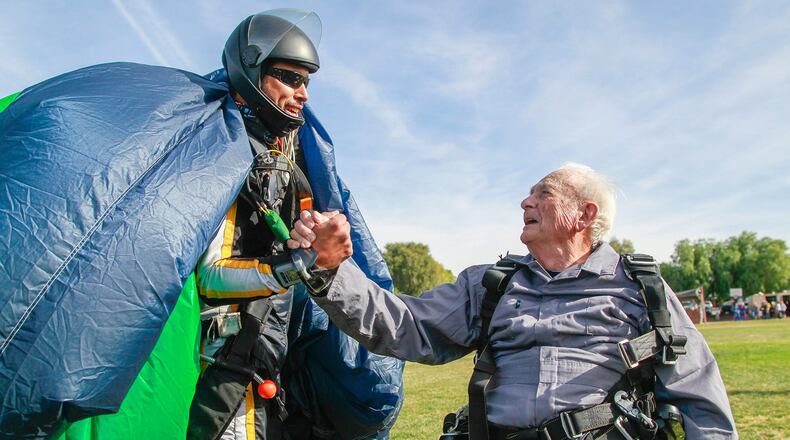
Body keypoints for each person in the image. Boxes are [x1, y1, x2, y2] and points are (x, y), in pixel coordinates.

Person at [288, 163, 738, 439]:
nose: (526, 199)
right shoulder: (492, 284)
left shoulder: (641, 287)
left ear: (586, 214)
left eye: (544, 192)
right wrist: (331, 268)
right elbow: (407, 325)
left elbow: (697, 392)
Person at [188, 10, 401, 440]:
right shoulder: (222, 153)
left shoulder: (285, 160)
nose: (302, 93)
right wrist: (304, 261)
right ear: (251, 71)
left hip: (274, 358)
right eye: (289, 77)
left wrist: (310, 238)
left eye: (307, 81)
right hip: (225, 366)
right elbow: (211, 274)